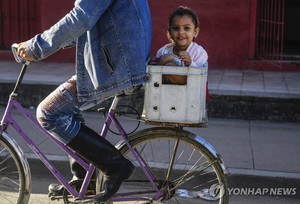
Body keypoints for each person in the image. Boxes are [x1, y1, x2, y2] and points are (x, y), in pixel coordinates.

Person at [17, 0, 152, 202]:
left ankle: (114, 165)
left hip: (117, 66)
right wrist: (59, 39)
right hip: (121, 61)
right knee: (66, 113)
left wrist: (37, 47)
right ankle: (85, 179)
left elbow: (81, 17)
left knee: (49, 112)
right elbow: (88, 20)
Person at [152, 6, 211, 100]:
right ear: (169, 33)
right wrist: (160, 62)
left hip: (191, 94)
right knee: (165, 62)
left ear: (195, 32)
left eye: (186, 28)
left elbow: (200, 76)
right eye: (176, 28)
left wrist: (190, 63)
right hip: (166, 94)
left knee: (170, 65)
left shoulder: (199, 52)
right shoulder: (163, 51)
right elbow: (155, 74)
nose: (181, 32)